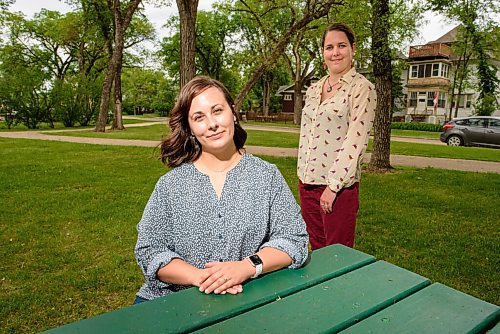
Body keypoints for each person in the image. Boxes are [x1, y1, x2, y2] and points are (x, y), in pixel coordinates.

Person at [134, 76, 309, 303]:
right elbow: (150, 250)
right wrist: (201, 277)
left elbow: (293, 239)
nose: (212, 124)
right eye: (199, 117)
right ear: (189, 128)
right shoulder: (170, 185)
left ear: (233, 113)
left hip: (246, 299)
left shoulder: (267, 176)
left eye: (217, 110)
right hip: (170, 301)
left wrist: (247, 267)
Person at [297, 23, 377, 250]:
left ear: (353, 49)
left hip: (338, 189)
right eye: (329, 47)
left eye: (341, 46)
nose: (335, 52)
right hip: (307, 183)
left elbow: (356, 140)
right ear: (323, 52)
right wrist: (303, 178)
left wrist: (332, 187)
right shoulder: (314, 88)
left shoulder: (362, 88)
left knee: (337, 256)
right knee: (316, 252)